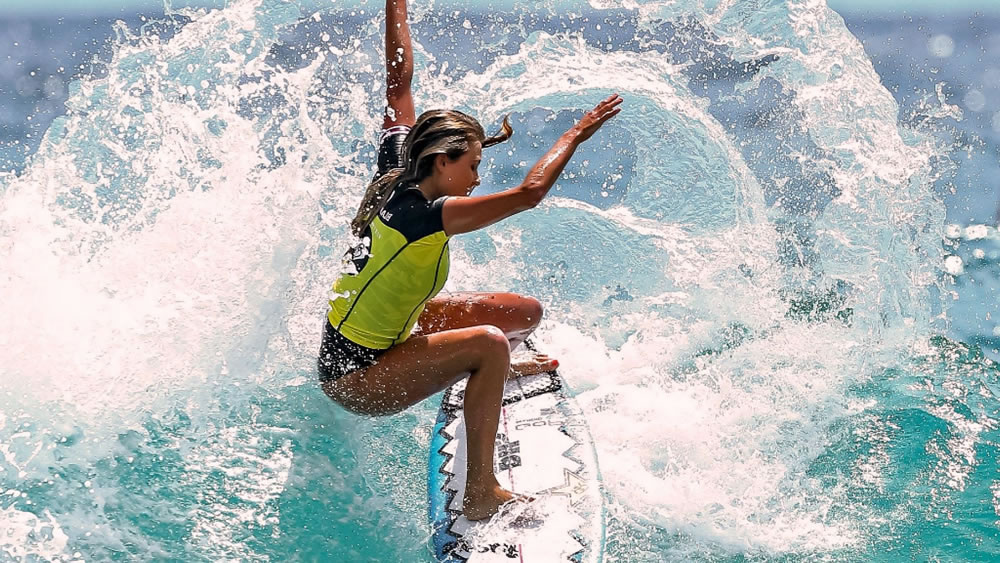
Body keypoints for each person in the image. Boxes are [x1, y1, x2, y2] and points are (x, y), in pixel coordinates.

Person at [318, 0, 622, 521]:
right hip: (358, 376)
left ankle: (484, 371)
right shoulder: (422, 214)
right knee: (489, 341)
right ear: (443, 161)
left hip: (392, 333)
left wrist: (396, 5)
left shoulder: (399, 162)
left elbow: (398, 84)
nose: (478, 177)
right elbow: (529, 194)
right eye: (474, 165)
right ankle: (481, 492)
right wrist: (574, 134)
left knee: (521, 314)